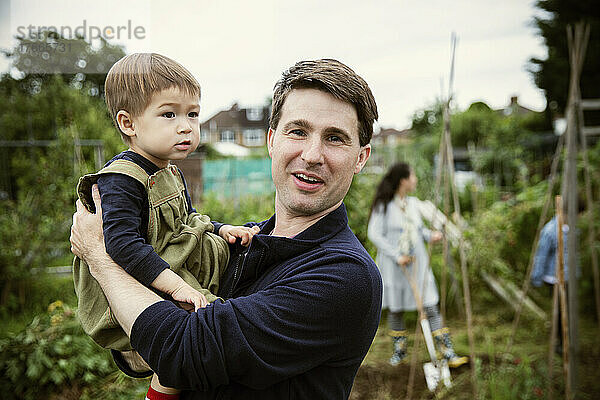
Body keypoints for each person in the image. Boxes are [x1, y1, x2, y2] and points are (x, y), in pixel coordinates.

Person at [70, 58, 383, 399]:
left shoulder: (344, 276)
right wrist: (153, 337)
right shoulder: (243, 243)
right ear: (271, 141)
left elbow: (180, 352)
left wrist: (99, 258)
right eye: (298, 131)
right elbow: (141, 352)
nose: (312, 154)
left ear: (361, 158)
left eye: (335, 138)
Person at [72, 53, 260, 399]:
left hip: (168, 271)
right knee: (201, 334)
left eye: (193, 114)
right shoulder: (122, 180)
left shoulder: (169, 171)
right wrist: (178, 289)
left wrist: (220, 229)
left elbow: (187, 218)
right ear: (128, 124)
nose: (186, 125)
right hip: (139, 284)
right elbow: (123, 247)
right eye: (169, 114)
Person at [367, 162, 467, 368]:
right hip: (395, 268)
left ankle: (447, 352)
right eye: (413, 176)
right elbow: (374, 234)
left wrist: (432, 236)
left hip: (418, 264)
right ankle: (400, 352)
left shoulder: (413, 204)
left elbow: (418, 230)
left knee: (430, 305)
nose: (416, 180)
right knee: (396, 309)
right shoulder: (384, 205)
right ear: (403, 180)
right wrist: (397, 255)